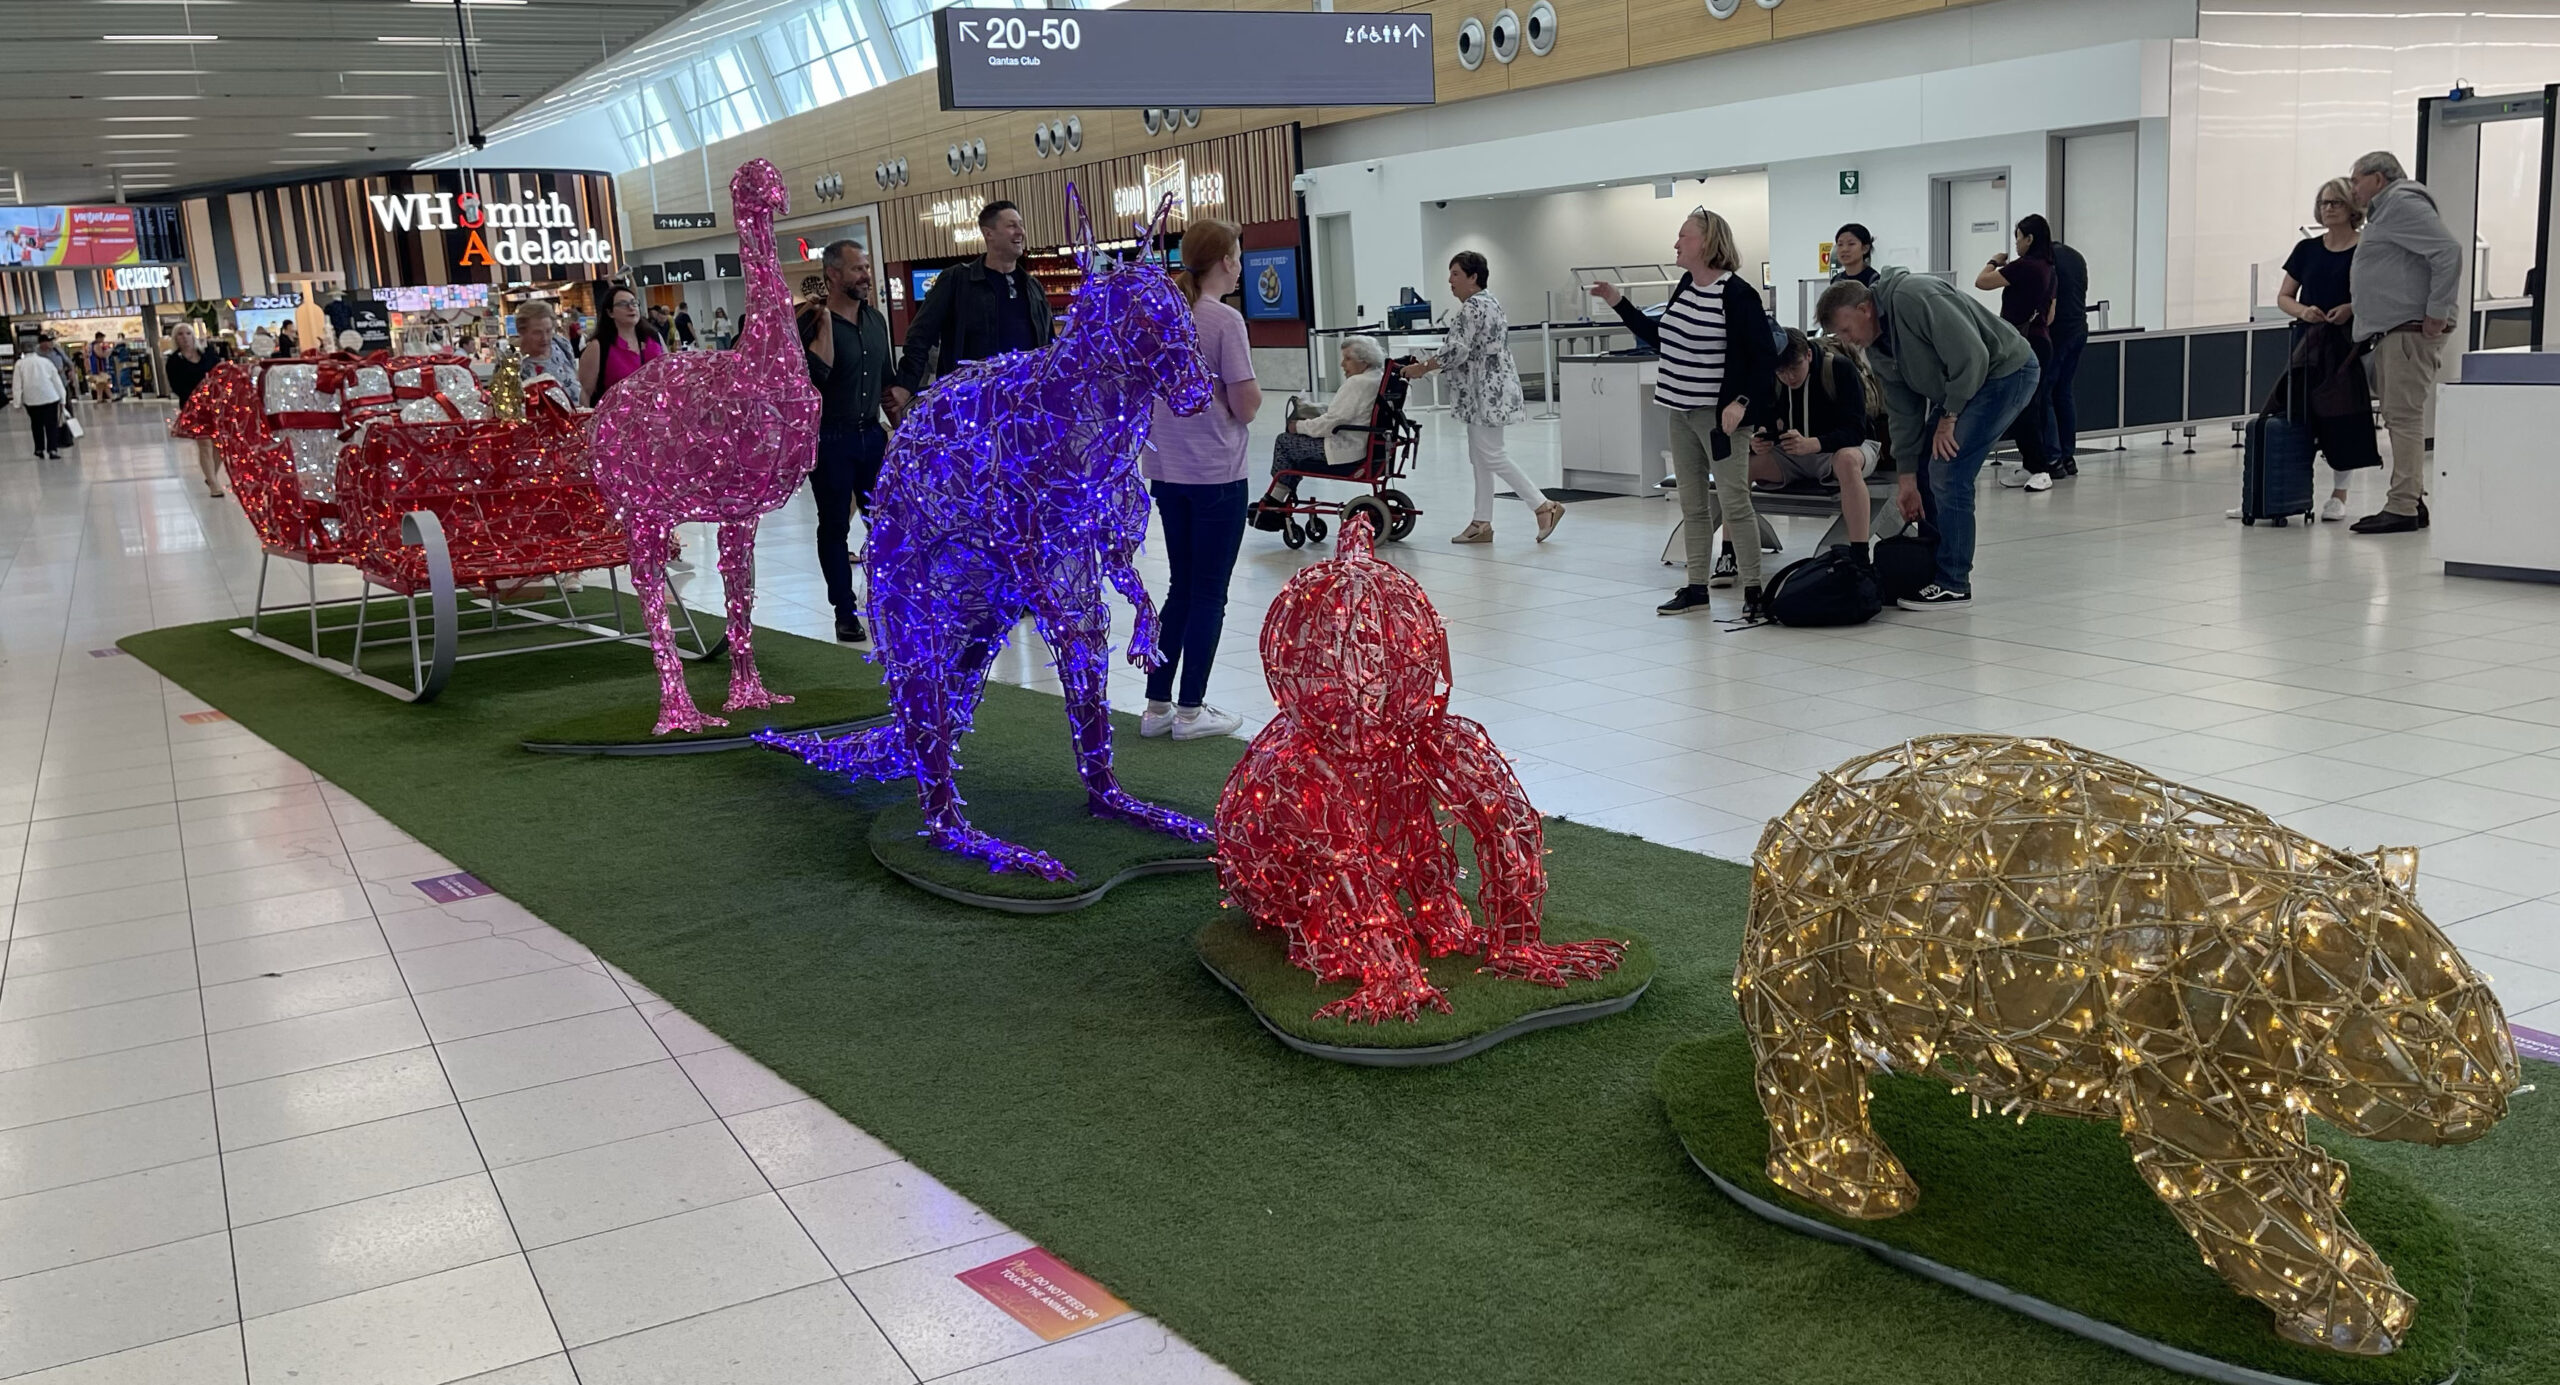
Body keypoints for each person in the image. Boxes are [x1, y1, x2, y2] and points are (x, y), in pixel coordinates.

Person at [1818, 271, 2038, 611]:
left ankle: (1953, 581)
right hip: (1963, 385)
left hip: (2004, 373)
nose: (1848, 341)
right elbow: (1903, 412)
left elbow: (1972, 356)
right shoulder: (1877, 346)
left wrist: (1949, 418)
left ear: (1865, 308)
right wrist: (1906, 479)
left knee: (1949, 471)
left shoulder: (1915, 297)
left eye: (1846, 330)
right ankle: (1930, 567)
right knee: (1924, 469)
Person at [1591, 208, 1775, 615]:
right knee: (1692, 505)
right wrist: (1618, 302)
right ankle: (1696, 588)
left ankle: (1754, 591)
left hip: (1718, 418)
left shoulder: (1738, 294)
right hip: (1679, 409)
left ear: (1707, 243)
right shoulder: (1687, 285)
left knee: (1734, 502)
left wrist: (1741, 402)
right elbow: (1662, 337)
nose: (1676, 244)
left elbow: (1762, 358)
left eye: (1683, 237)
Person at [1138, 220, 1260, 742]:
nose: (1238, 264)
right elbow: (1246, 404)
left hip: (1169, 472)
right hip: (1216, 474)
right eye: (1236, 255)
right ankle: (1190, 712)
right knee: (1210, 593)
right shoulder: (1224, 321)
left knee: (1181, 587)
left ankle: (1156, 705)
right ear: (1226, 261)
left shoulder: (1161, 317)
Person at [1409, 251, 1559, 546]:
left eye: (1455, 274)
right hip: (1490, 389)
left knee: (1491, 455)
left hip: (1485, 392)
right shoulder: (1490, 302)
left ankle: (1543, 506)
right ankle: (1481, 521)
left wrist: (1422, 367)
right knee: (1481, 457)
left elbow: (1457, 350)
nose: (1449, 281)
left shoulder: (1472, 307)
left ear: (1473, 277)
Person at [2345, 150, 2460, 535]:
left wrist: (2438, 310)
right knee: (2399, 415)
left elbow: (2448, 251)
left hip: (2407, 331)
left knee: (2403, 416)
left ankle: (2402, 506)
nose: (2353, 188)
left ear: (2378, 178)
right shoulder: (2390, 209)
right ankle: (2412, 498)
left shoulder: (2400, 203)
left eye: (2357, 179)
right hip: (2395, 330)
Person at [798, 238, 893, 645]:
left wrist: (902, 432)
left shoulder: (875, 322)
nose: (866, 276)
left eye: (866, 267)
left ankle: (890, 601)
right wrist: (823, 330)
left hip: (872, 435)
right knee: (834, 526)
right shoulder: (814, 323)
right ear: (833, 275)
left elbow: (887, 382)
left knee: (887, 525)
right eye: (857, 269)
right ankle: (844, 611)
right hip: (830, 437)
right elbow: (811, 382)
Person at [889, 202, 1053, 409]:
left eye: (1021, 225)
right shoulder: (957, 280)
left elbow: (1048, 344)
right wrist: (906, 384)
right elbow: (921, 334)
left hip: (1026, 402)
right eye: (1012, 225)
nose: (1021, 231)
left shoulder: (1032, 286)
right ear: (988, 234)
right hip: (971, 404)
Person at [2277, 178, 2364, 520]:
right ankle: (2282, 489)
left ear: (2351, 208)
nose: (2328, 208)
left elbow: (2375, 293)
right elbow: (2285, 296)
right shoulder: (2307, 250)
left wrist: (2350, 308)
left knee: (2342, 414)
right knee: (2295, 412)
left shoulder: (2365, 250)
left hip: (2347, 343)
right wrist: (2303, 311)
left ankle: (2340, 493)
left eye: (2336, 203)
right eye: (2324, 203)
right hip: (2308, 340)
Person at [1752, 329, 1876, 549]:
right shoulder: (1772, 377)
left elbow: (1857, 431)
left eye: (1794, 368)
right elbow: (1764, 420)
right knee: (1741, 467)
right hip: (1793, 454)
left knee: (1847, 461)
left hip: (1842, 450)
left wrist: (1814, 443)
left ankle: (1859, 553)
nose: (1789, 377)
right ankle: (1729, 552)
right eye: (1781, 371)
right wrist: (1758, 442)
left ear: (1808, 355)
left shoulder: (1838, 368)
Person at [1975, 214, 2063, 490]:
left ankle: (2040, 469)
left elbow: (1982, 282)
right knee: (2025, 406)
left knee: (2026, 407)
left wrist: (1993, 261)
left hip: (2023, 344)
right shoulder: (2050, 269)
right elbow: (2050, 315)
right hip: (2040, 340)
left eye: (2018, 237)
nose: (2016, 244)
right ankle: (2030, 465)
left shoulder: (2025, 266)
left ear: (2030, 239)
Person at [1258, 335, 1387, 507]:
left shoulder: (1357, 383)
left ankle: (1275, 499)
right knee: (1296, 447)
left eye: (1348, 359)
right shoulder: (1378, 377)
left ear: (1365, 361)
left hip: (1346, 449)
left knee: (1285, 441)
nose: (1342, 365)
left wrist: (1299, 426)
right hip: (1364, 443)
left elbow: (1331, 423)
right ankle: (1279, 497)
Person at [2046, 232, 2091, 470]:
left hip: (2058, 333)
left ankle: (2052, 456)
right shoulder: (2076, 257)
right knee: (2064, 392)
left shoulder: (2047, 260)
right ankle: (2068, 455)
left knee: (2046, 393)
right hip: (2079, 329)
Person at [163, 322, 224, 494]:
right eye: (180, 334)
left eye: (187, 333)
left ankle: (211, 475)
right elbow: (175, 385)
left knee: (219, 444)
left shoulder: (207, 354)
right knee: (204, 443)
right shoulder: (174, 361)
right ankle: (214, 484)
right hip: (192, 406)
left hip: (214, 404)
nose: (185, 337)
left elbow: (219, 373)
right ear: (176, 339)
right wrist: (193, 397)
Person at [578, 284, 664, 405]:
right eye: (623, 304)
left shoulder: (654, 338)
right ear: (610, 312)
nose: (631, 308)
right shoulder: (599, 346)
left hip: (656, 416)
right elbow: (585, 392)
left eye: (634, 303)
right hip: (614, 418)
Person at [512, 300, 582, 408]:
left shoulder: (562, 345)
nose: (545, 338)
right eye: (537, 332)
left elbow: (577, 383)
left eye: (549, 331)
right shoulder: (513, 364)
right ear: (522, 331)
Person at [16, 341, 67, 460]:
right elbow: (56, 381)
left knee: (36, 424)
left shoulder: (20, 364)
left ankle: (39, 449)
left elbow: (17, 385)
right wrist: (62, 398)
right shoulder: (45, 362)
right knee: (51, 424)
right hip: (50, 397)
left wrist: (17, 403)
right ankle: (52, 450)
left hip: (31, 400)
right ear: (35, 349)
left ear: (22, 350)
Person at [1830, 223, 1880, 287]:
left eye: (1851, 244)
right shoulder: (1836, 280)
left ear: (1865, 248)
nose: (1844, 249)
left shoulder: (1875, 280)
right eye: (1840, 244)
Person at [86, 334, 114, 404]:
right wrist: (108, 351)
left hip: (95, 366)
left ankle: (105, 397)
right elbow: (100, 355)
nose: (103, 340)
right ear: (99, 338)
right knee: (102, 382)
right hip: (99, 366)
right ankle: (103, 397)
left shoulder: (91, 345)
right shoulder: (97, 345)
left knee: (103, 383)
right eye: (102, 338)